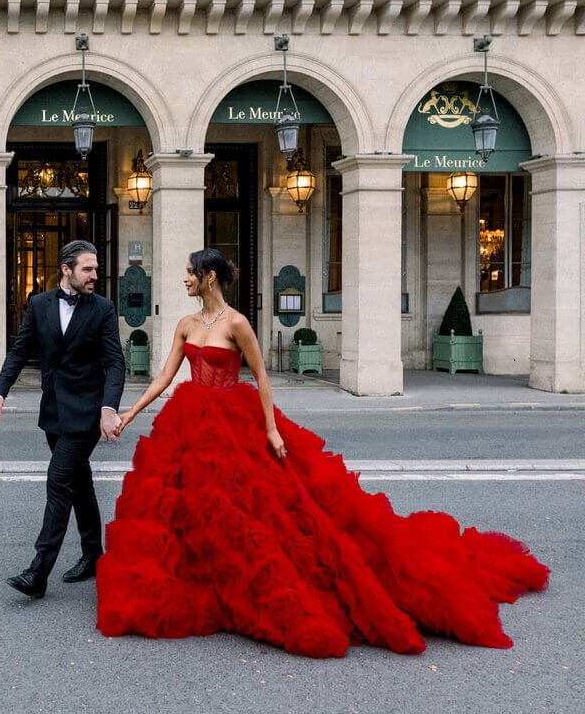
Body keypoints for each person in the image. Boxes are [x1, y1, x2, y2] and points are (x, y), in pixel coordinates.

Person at [96, 248, 549, 658]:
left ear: (209, 277)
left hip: (234, 422)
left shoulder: (237, 324)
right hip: (190, 421)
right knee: (192, 508)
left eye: (189, 273)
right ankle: (206, 578)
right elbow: (164, 378)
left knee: (252, 511)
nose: (184, 279)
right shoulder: (186, 325)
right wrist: (128, 414)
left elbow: (261, 377)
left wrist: (271, 429)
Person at [0, 239, 125, 599]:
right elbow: (19, 351)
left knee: (59, 481)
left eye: (96, 269)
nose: (94, 275)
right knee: (79, 482)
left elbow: (115, 363)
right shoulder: (40, 304)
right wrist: (0, 391)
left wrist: (108, 408)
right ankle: (93, 553)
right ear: (66, 269)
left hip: (87, 412)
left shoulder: (103, 309)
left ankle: (38, 571)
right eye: (87, 269)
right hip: (53, 410)